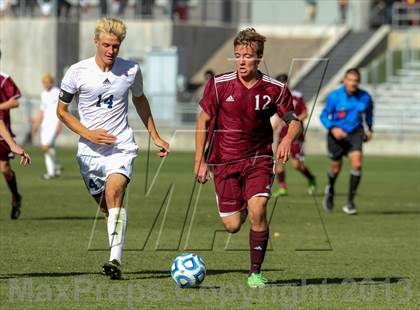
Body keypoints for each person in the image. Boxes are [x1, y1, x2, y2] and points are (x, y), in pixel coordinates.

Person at [57, 17, 170, 279]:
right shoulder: (77, 72)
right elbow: (61, 112)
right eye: (106, 45)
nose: (111, 51)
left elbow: (140, 101)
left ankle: (114, 260)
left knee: (115, 190)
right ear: (96, 42)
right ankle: (115, 239)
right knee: (108, 206)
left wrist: (155, 135)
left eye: (116, 46)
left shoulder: (131, 70)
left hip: (121, 146)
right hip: (89, 153)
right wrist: (89, 134)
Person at [195, 28, 302, 288]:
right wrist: (200, 160)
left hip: (259, 160)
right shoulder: (219, 85)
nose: (242, 61)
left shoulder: (275, 89)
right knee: (232, 225)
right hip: (224, 162)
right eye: (238, 55)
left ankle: (255, 272)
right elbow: (203, 121)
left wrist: (287, 138)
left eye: (248, 56)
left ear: (259, 57)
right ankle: (241, 206)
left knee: (259, 208)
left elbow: (294, 121)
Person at [320, 68, 373, 215]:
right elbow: (324, 116)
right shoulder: (335, 96)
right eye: (350, 80)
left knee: (357, 164)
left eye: (355, 81)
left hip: (355, 133)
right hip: (336, 135)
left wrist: (370, 128)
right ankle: (330, 189)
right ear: (344, 80)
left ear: (359, 82)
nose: (352, 83)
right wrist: (333, 128)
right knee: (336, 168)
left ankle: (350, 202)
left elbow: (369, 112)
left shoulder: (365, 97)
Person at [272, 73, 316, 197]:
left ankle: (311, 178)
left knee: (296, 164)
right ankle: (282, 187)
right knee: (279, 160)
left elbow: (305, 113)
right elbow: (279, 117)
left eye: (284, 83)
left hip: (295, 134)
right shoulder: (277, 97)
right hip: (282, 134)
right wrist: (273, 128)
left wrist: (293, 120)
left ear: (288, 83)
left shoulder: (297, 96)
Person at [0, 49, 32, 220]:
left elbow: (14, 102)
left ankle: (15, 197)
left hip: (2, 134)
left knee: (4, 168)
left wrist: (13, 145)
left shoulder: (4, 78)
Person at [32, 74, 62, 179]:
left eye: (47, 82)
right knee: (49, 148)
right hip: (45, 125)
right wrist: (36, 124)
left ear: (52, 82)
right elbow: (42, 111)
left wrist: (59, 124)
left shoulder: (57, 92)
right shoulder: (43, 94)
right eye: (44, 82)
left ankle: (51, 171)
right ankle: (55, 168)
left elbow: (61, 109)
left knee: (46, 147)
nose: (45, 84)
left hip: (54, 124)